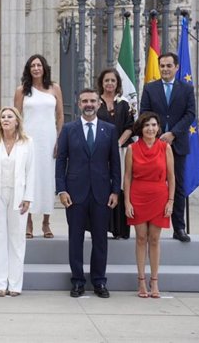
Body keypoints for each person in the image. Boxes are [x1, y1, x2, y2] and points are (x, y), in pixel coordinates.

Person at [55, 88, 121, 298]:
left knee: (100, 239)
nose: (89, 104)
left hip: (102, 193)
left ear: (99, 103)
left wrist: (115, 191)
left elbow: (115, 164)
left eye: (92, 100)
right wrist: (61, 189)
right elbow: (61, 161)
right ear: (78, 104)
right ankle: (77, 281)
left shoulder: (109, 130)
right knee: (75, 239)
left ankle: (99, 281)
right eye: (85, 101)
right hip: (75, 194)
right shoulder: (68, 129)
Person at [139, 52, 196, 243]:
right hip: (153, 144)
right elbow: (144, 113)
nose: (165, 69)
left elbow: (190, 114)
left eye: (168, 66)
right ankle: (149, 225)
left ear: (176, 67)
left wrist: (173, 134)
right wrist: (156, 134)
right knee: (151, 185)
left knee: (177, 185)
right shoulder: (150, 88)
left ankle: (179, 227)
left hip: (177, 144)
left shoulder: (186, 89)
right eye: (162, 66)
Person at [0, 107, 35, 297]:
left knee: (17, 238)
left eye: (9, 117)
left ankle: (15, 284)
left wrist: (28, 197)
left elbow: (31, 172)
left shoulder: (27, 143)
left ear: (17, 121)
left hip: (18, 195)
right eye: (2, 117)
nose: (5, 119)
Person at [124, 112, 175, 298]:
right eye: (147, 125)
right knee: (140, 238)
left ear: (158, 127)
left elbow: (171, 177)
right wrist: (127, 201)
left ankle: (154, 282)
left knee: (154, 239)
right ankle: (141, 282)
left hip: (159, 196)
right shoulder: (132, 149)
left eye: (154, 125)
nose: (150, 129)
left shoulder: (165, 148)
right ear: (141, 128)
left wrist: (171, 201)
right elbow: (127, 177)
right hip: (138, 195)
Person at [14, 54, 63, 239]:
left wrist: (59, 139)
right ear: (28, 69)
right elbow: (16, 117)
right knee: (28, 179)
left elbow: (59, 116)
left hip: (49, 139)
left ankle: (46, 222)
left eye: (39, 65)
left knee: (47, 179)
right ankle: (28, 222)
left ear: (44, 68)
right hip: (28, 139)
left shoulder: (54, 88)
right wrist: (17, 140)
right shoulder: (21, 90)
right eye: (33, 65)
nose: (36, 68)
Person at [96, 68, 134, 239]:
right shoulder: (96, 103)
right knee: (103, 186)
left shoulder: (124, 103)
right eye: (106, 80)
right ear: (101, 83)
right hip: (100, 152)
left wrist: (118, 143)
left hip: (121, 151)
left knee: (121, 186)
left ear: (118, 83)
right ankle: (103, 227)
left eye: (113, 80)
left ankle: (120, 229)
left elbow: (130, 126)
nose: (109, 83)